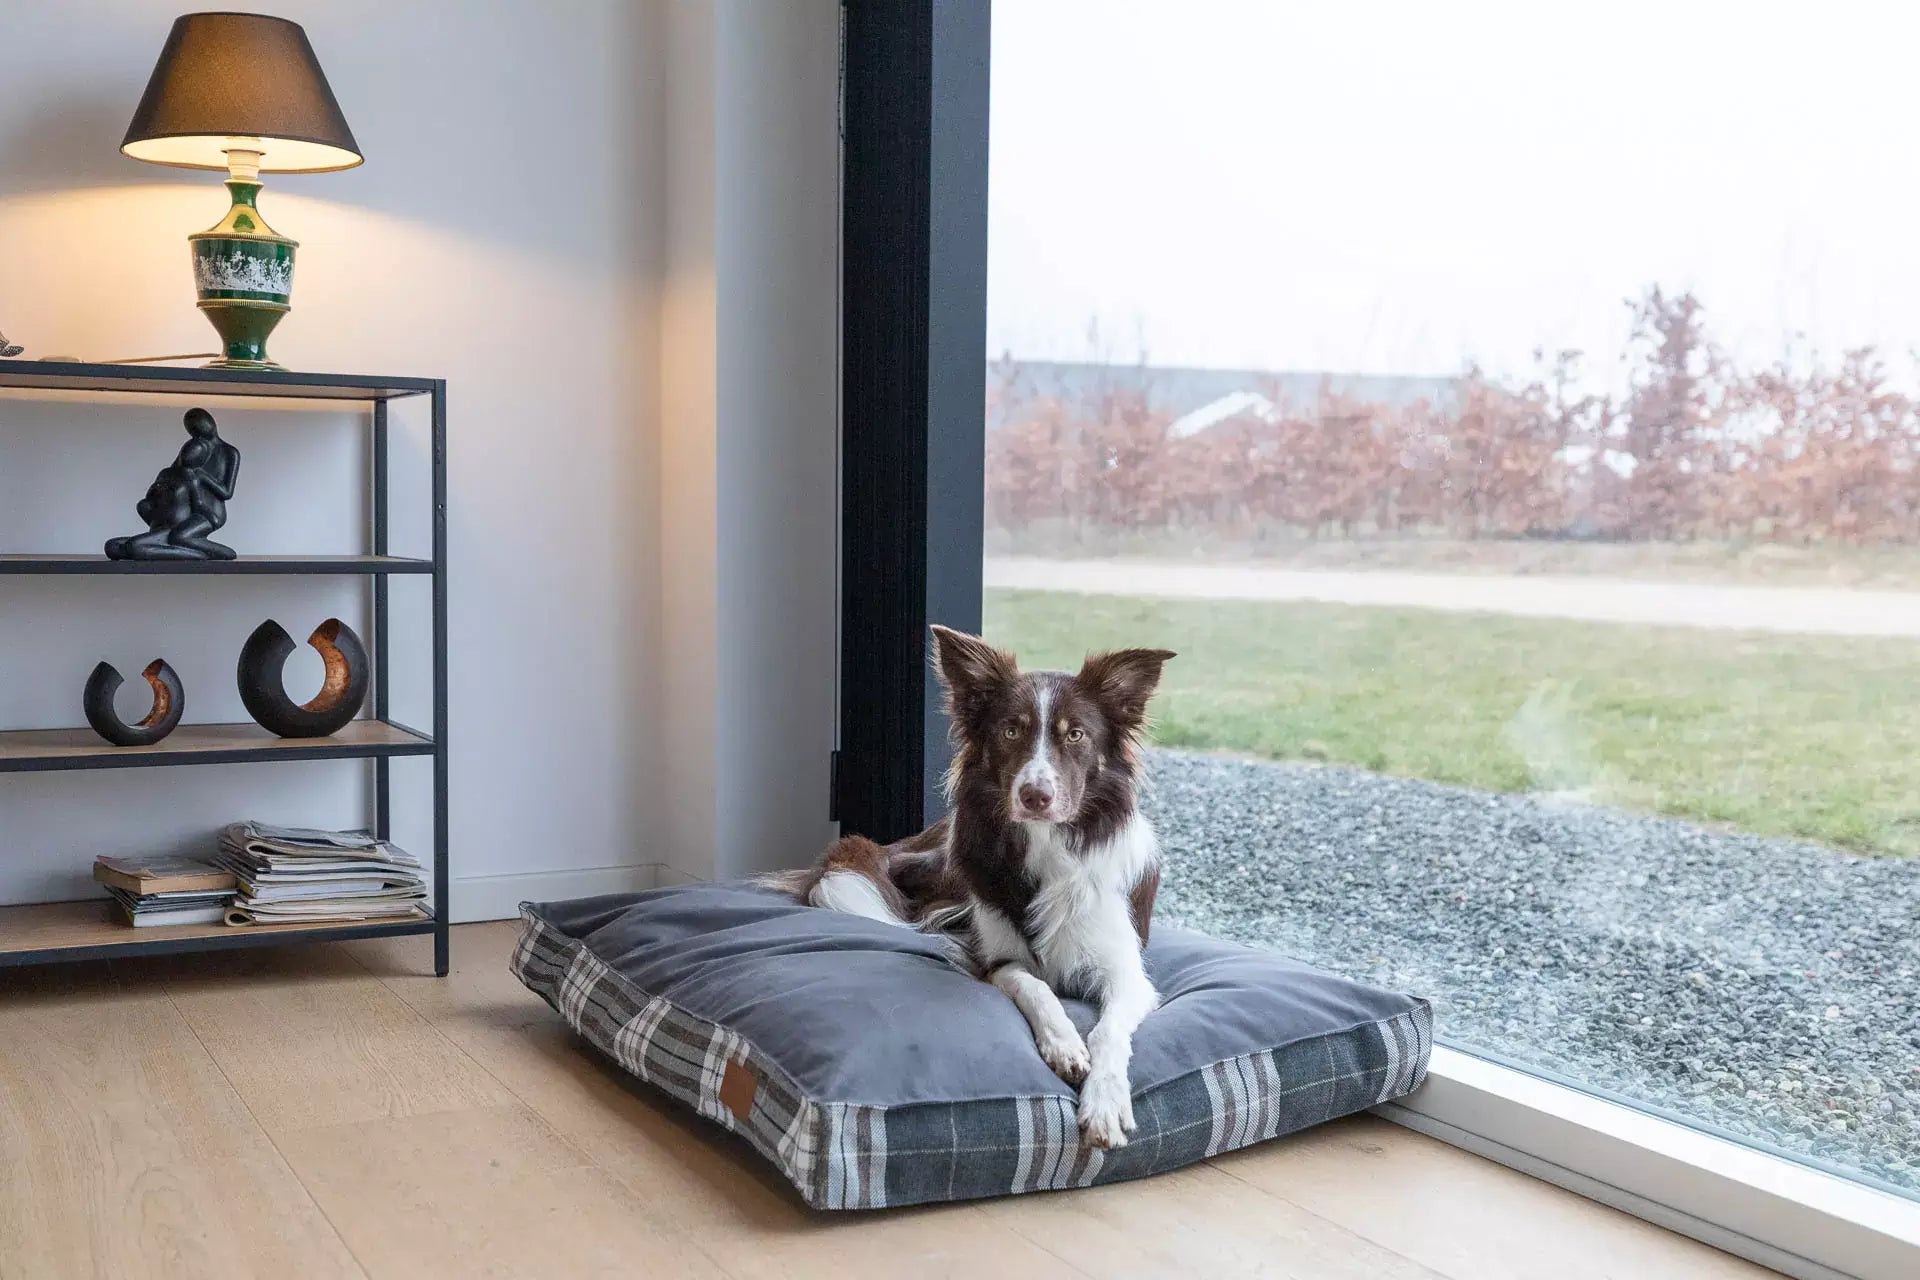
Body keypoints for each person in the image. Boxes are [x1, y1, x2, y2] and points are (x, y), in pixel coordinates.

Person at [105, 408, 242, 560]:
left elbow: (227, 493)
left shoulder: (229, 452)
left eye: (201, 426)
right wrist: (158, 491)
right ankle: (161, 544)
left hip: (209, 512)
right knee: (116, 546)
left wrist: (203, 477)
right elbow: (175, 474)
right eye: (194, 430)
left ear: (212, 423)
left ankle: (208, 554)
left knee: (179, 537)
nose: (199, 432)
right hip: (182, 510)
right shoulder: (193, 448)